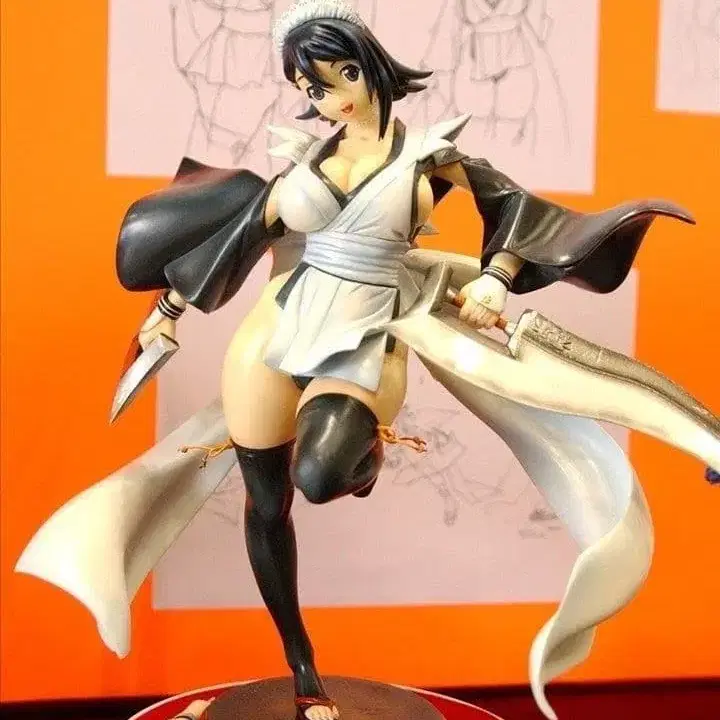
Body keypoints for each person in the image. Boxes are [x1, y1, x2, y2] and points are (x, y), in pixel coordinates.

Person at [16, 2, 715, 720]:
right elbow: (239, 239)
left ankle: (365, 459)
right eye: (312, 87)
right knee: (267, 504)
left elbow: (515, 210)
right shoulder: (304, 161)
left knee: (319, 475)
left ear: (369, 66)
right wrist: (167, 310)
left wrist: (495, 277)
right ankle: (303, 668)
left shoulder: (429, 156)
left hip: (365, 333)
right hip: (274, 332)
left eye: (339, 75)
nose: (330, 97)